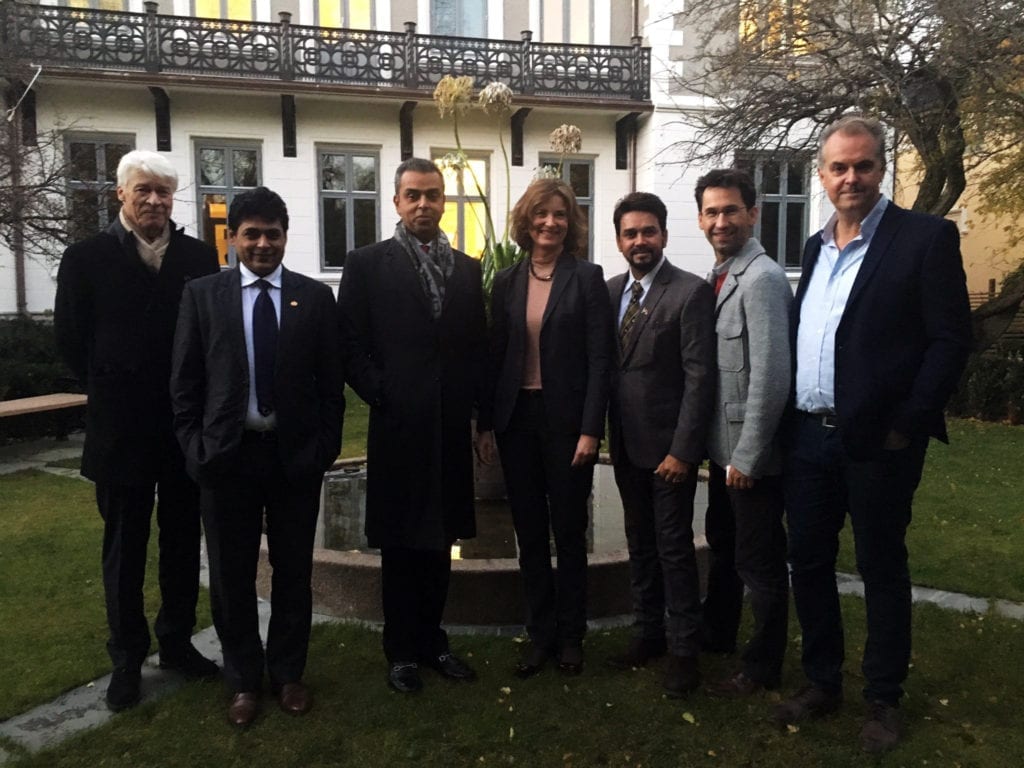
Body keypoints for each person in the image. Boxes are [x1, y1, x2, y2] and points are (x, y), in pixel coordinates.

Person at [775, 115, 972, 753]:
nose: (850, 177)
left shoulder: (924, 238)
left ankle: (883, 699)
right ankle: (822, 681)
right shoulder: (813, 245)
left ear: (881, 168)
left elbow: (949, 339)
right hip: (808, 438)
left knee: (881, 565)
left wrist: (906, 424)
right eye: (838, 168)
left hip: (878, 441)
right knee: (807, 561)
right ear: (822, 175)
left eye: (862, 165)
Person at [170, 187, 344, 727]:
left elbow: (330, 387)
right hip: (228, 459)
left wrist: (322, 452)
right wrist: (197, 451)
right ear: (232, 238)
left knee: (293, 572)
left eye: (273, 233)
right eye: (252, 233)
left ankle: (288, 674)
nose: (263, 243)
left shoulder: (314, 298)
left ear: (285, 238)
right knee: (230, 575)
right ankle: (244, 679)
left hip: (293, 459)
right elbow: (185, 384)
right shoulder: (202, 295)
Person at [54, 150, 220, 712]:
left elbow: (212, 337)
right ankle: (126, 658)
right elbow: (72, 341)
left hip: (182, 429)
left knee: (179, 542)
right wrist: (114, 382)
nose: (154, 201)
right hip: (120, 430)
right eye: (143, 190)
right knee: (124, 549)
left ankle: (176, 642)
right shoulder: (86, 258)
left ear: (175, 199)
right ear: (120, 195)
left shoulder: (198, 257)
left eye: (164, 193)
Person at [337, 158, 487, 694]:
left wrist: (479, 415)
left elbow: (476, 350)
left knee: (440, 537)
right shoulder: (366, 264)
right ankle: (400, 650)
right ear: (396, 202)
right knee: (401, 542)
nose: (423, 204)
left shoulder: (468, 270)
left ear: (443, 201)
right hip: (398, 424)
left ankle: (434, 641)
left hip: (448, 427)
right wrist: (383, 393)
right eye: (413, 195)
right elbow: (349, 343)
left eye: (432, 194)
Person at [478, 178, 613, 679]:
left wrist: (590, 429)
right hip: (517, 422)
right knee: (529, 534)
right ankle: (540, 635)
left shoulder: (587, 277)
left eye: (560, 214)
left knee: (569, 532)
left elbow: (601, 361)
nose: (550, 223)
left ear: (570, 221)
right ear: (526, 220)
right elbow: (496, 356)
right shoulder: (509, 280)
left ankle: (572, 636)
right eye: (541, 214)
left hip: (566, 425)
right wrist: (488, 423)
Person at [603, 192, 715, 697]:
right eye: (630, 233)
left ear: (664, 236)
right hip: (625, 448)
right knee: (640, 547)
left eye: (648, 231)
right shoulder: (609, 294)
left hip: (670, 453)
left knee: (674, 552)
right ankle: (647, 635)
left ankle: (684, 653)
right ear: (620, 240)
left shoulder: (689, 293)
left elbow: (699, 378)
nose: (640, 241)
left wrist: (683, 451)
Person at [694, 170, 791, 697]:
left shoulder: (762, 278)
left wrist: (748, 457)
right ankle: (719, 635)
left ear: (753, 213)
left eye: (730, 210)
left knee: (760, 563)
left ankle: (762, 666)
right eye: (711, 212)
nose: (720, 221)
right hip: (723, 453)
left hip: (749, 460)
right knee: (726, 547)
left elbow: (772, 376)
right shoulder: (724, 275)